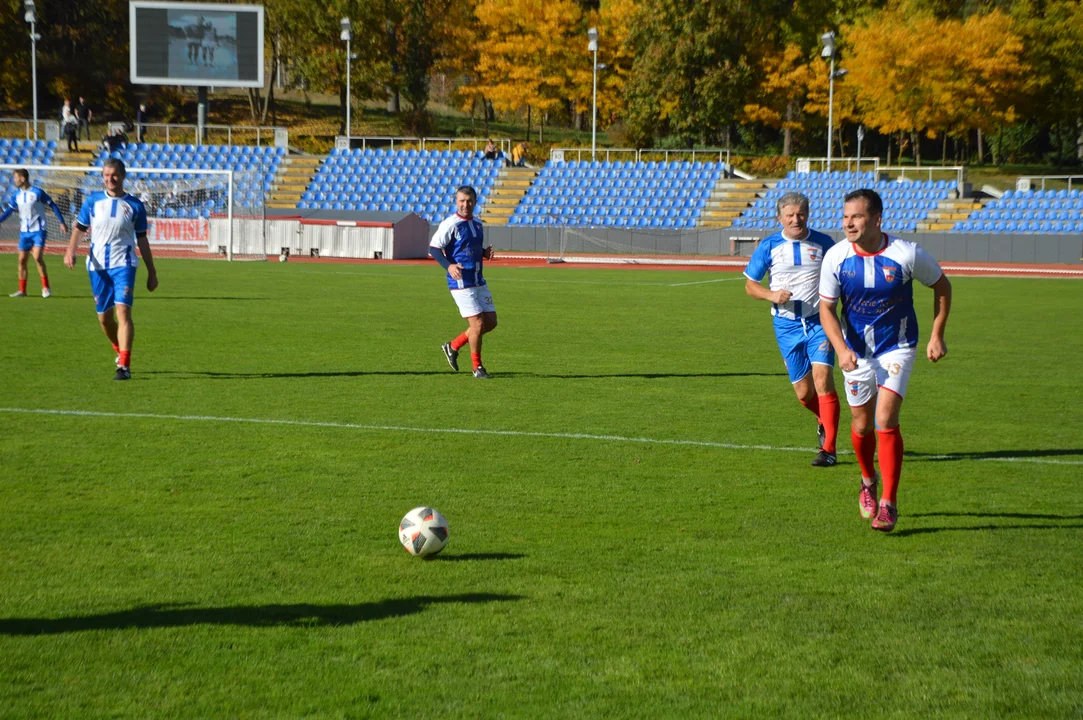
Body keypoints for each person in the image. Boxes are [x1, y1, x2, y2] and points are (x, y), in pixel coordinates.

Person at [819, 188, 952, 532]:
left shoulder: (906, 254)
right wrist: (841, 348)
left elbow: (942, 286)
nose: (849, 223)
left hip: (898, 346)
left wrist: (937, 334)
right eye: (846, 216)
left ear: (877, 219)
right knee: (861, 425)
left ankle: (889, 503)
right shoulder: (835, 257)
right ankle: (867, 480)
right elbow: (826, 310)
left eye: (857, 216)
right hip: (856, 352)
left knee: (885, 418)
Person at [744, 192, 840, 467]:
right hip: (786, 326)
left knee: (823, 381)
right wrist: (771, 295)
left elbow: (840, 278)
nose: (795, 219)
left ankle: (829, 450)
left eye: (800, 214)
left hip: (819, 321)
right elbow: (750, 285)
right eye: (790, 215)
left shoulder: (824, 243)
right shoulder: (769, 245)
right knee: (803, 393)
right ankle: (823, 417)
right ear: (780, 218)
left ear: (807, 214)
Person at [63, 159, 159, 381]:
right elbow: (79, 228)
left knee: (123, 312)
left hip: (124, 264)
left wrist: (152, 272)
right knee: (104, 319)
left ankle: (124, 366)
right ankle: (119, 348)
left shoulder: (135, 206)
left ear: (123, 176)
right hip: (97, 267)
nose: (110, 179)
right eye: (106, 175)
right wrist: (71, 251)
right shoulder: (93, 201)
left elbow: (142, 241)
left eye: (114, 175)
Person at [430, 185, 497, 379]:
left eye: (469, 201)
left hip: (478, 279)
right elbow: (434, 248)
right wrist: (449, 266)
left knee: (490, 322)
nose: (465, 205)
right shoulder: (450, 224)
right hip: (461, 282)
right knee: (477, 324)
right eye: (461, 201)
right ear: (456, 202)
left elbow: (471, 247)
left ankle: (453, 346)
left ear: (475, 202)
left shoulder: (477, 223)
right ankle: (477, 368)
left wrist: (484, 253)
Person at [2, 169, 68, 298]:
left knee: (37, 257)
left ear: (22, 178)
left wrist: (61, 222)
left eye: (16, 178)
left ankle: (45, 287)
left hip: (39, 230)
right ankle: (22, 290)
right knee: (21, 260)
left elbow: (53, 205)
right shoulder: (16, 195)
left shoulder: (37, 192)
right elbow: (9, 211)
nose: (14, 180)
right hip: (24, 232)